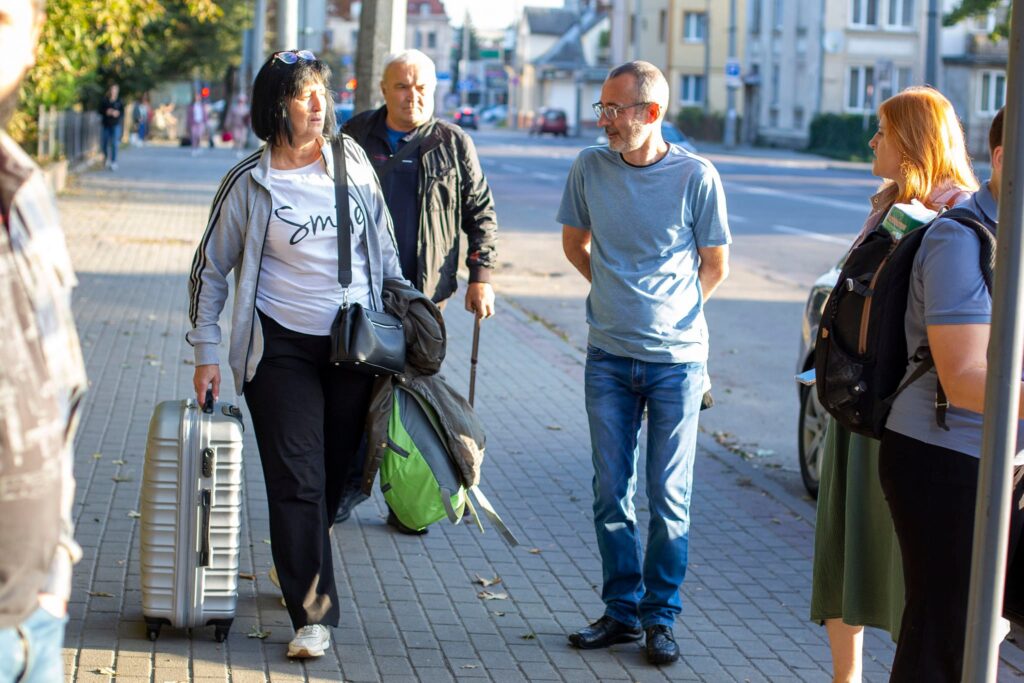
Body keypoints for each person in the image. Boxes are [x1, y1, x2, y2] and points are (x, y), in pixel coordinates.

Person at [187, 49, 407, 659]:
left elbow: (384, 246)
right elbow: (211, 271)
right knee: (296, 477)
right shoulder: (248, 180)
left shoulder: (351, 161)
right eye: (304, 94)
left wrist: (411, 312)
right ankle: (314, 615)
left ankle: (303, 546)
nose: (319, 105)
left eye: (322, 92)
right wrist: (207, 350)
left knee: (335, 473)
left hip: (353, 343)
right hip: (276, 346)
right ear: (274, 106)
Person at [558, 60, 730, 666]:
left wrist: (669, 315)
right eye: (601, 108)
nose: (602, 120)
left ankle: (661, 618)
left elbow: (715, 265)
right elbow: (575, 243)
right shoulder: (589, 167)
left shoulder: (696, 176)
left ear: (650, 113)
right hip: (607, 355)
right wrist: (612, 293)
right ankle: (621, 612)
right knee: (611, 492)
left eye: (614, 110)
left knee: (668, 495)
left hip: (677, 364)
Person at [809, 86, 978, 683]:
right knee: (848, 546)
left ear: (912, 140)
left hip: (910, 421)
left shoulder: (955, 218)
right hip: (864, 405)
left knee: (920, 575)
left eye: (883, 130)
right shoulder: (890, 203)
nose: (873, 141)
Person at [878, 107, 1022, 682]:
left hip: (1002, 461)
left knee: (981, 629)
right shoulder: (961, 239)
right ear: (1006, 162)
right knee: (944, 638)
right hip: (943, 460)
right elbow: (963, 378)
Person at [339, 49, 498, 533]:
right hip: (362, 294)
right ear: (384, 90)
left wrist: (482, 278)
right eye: (402, 86)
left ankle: (409, 500)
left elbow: (481, 213)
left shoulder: (452, 142)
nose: (413, 96)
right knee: (353, 393)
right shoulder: (353, 137)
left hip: (425, 301)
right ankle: (345, 490)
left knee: (415, 401)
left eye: (422, 87)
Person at [0, 0, 86, 680]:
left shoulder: (27, 188)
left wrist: (55, 566)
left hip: (34, 619)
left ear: (31, 43)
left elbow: (62, 391)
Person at [98, 83, 124, 169]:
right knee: (104, 144)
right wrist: (107, 112)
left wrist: (117, 113)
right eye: (112, 89)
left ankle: (113, 161)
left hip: (116, 125)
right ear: (110, 90)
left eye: (115, 90)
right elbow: (99, 111)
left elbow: (122, 113)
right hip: (106, 125)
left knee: (114, 143)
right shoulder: (105, 100)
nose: (113, 91)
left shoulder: (119, 101)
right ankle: (106, 158)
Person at [186, 91, 208, 155]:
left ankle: (198, 147)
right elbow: (188, 115)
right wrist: (188, 124)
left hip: (200, 123)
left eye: (198, 97)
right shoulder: (191, 106)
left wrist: (206, 122)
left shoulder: (202, 105)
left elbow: (205, 114)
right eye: (196, 96)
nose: (197, 98)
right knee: (193, 136)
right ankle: (194, 148)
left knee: (199, 136)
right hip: (193, 123)